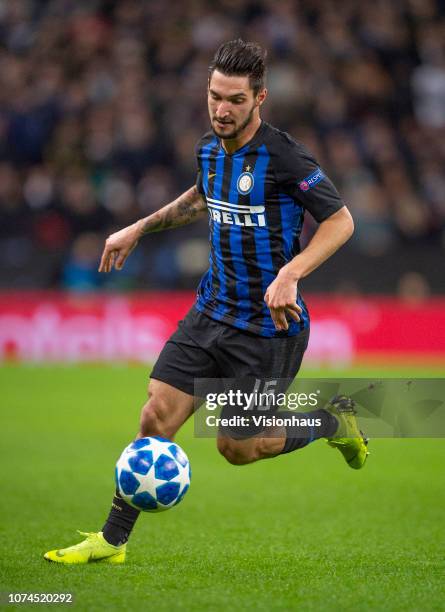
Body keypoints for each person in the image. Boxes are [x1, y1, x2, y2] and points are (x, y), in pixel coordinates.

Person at [44, 39, 368, 565]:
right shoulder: (209, 148)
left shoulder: (285, 157)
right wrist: (140, 227)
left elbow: (341, 221)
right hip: (209, 312)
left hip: (267, 327)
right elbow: (201, 196)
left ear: (259, 98)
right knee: (155, 418)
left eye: (236, 100)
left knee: (237, 449)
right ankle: (112, 541)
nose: (222, 109)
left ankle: (332, 420)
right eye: (215, 96)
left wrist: (290, 273)